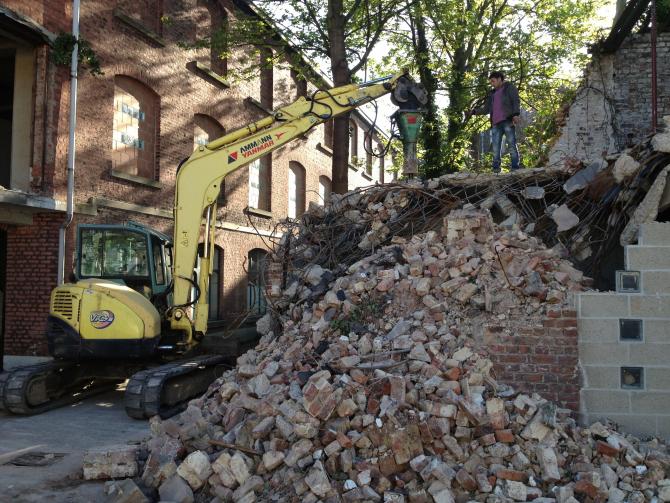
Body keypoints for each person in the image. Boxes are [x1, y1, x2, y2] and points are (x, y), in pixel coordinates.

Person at [470, 71, 521, 173]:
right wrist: (474, 112)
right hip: (496, 124)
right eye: (491, 82)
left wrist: (515, 114)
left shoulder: (509, 88)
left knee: (511, 144)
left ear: (499, 79)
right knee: (495, 148)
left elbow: (515, 100)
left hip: (507, 120)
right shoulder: (492, 93)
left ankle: (515, 168)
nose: (492, 84)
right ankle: (496, 170)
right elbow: (486, 109)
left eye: (493, 81)